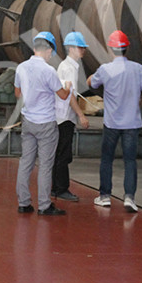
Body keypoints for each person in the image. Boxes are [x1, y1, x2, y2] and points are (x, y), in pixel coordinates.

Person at [86, 30, 142, 213]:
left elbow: (91, 83)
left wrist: (92, 77)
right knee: (130, 161)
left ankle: (105, 196)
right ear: (127, 49)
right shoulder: (138, 68)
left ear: (110, 49)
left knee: (107, 159)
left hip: (112, 123)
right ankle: (129, 197)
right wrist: (138, 105)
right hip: (132, 123)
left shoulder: (105, 69)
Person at [14, 31, 71, 216]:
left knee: (26, 162)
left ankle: (23, 203)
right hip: (46, 124)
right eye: (51, 52)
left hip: (28, 121)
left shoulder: (21, 68)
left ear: (34, 48)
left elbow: (17, 93)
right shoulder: (49, 71)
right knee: (45, 166)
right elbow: (63, 95)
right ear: (48, 50)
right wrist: (68, 87)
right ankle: (44, 205)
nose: (50, 56)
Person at [53, 31, 90, 201]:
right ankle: (61, 189)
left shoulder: (69, 66)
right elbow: (70, 96)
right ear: (71, 48)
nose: (83, 50)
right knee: (63, 154)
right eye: (80, 47)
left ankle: (56, 187)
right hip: (64, 118)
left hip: (62, 117)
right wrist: (81, 115)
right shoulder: (68, 68)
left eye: (83, 47)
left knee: (60, 153)